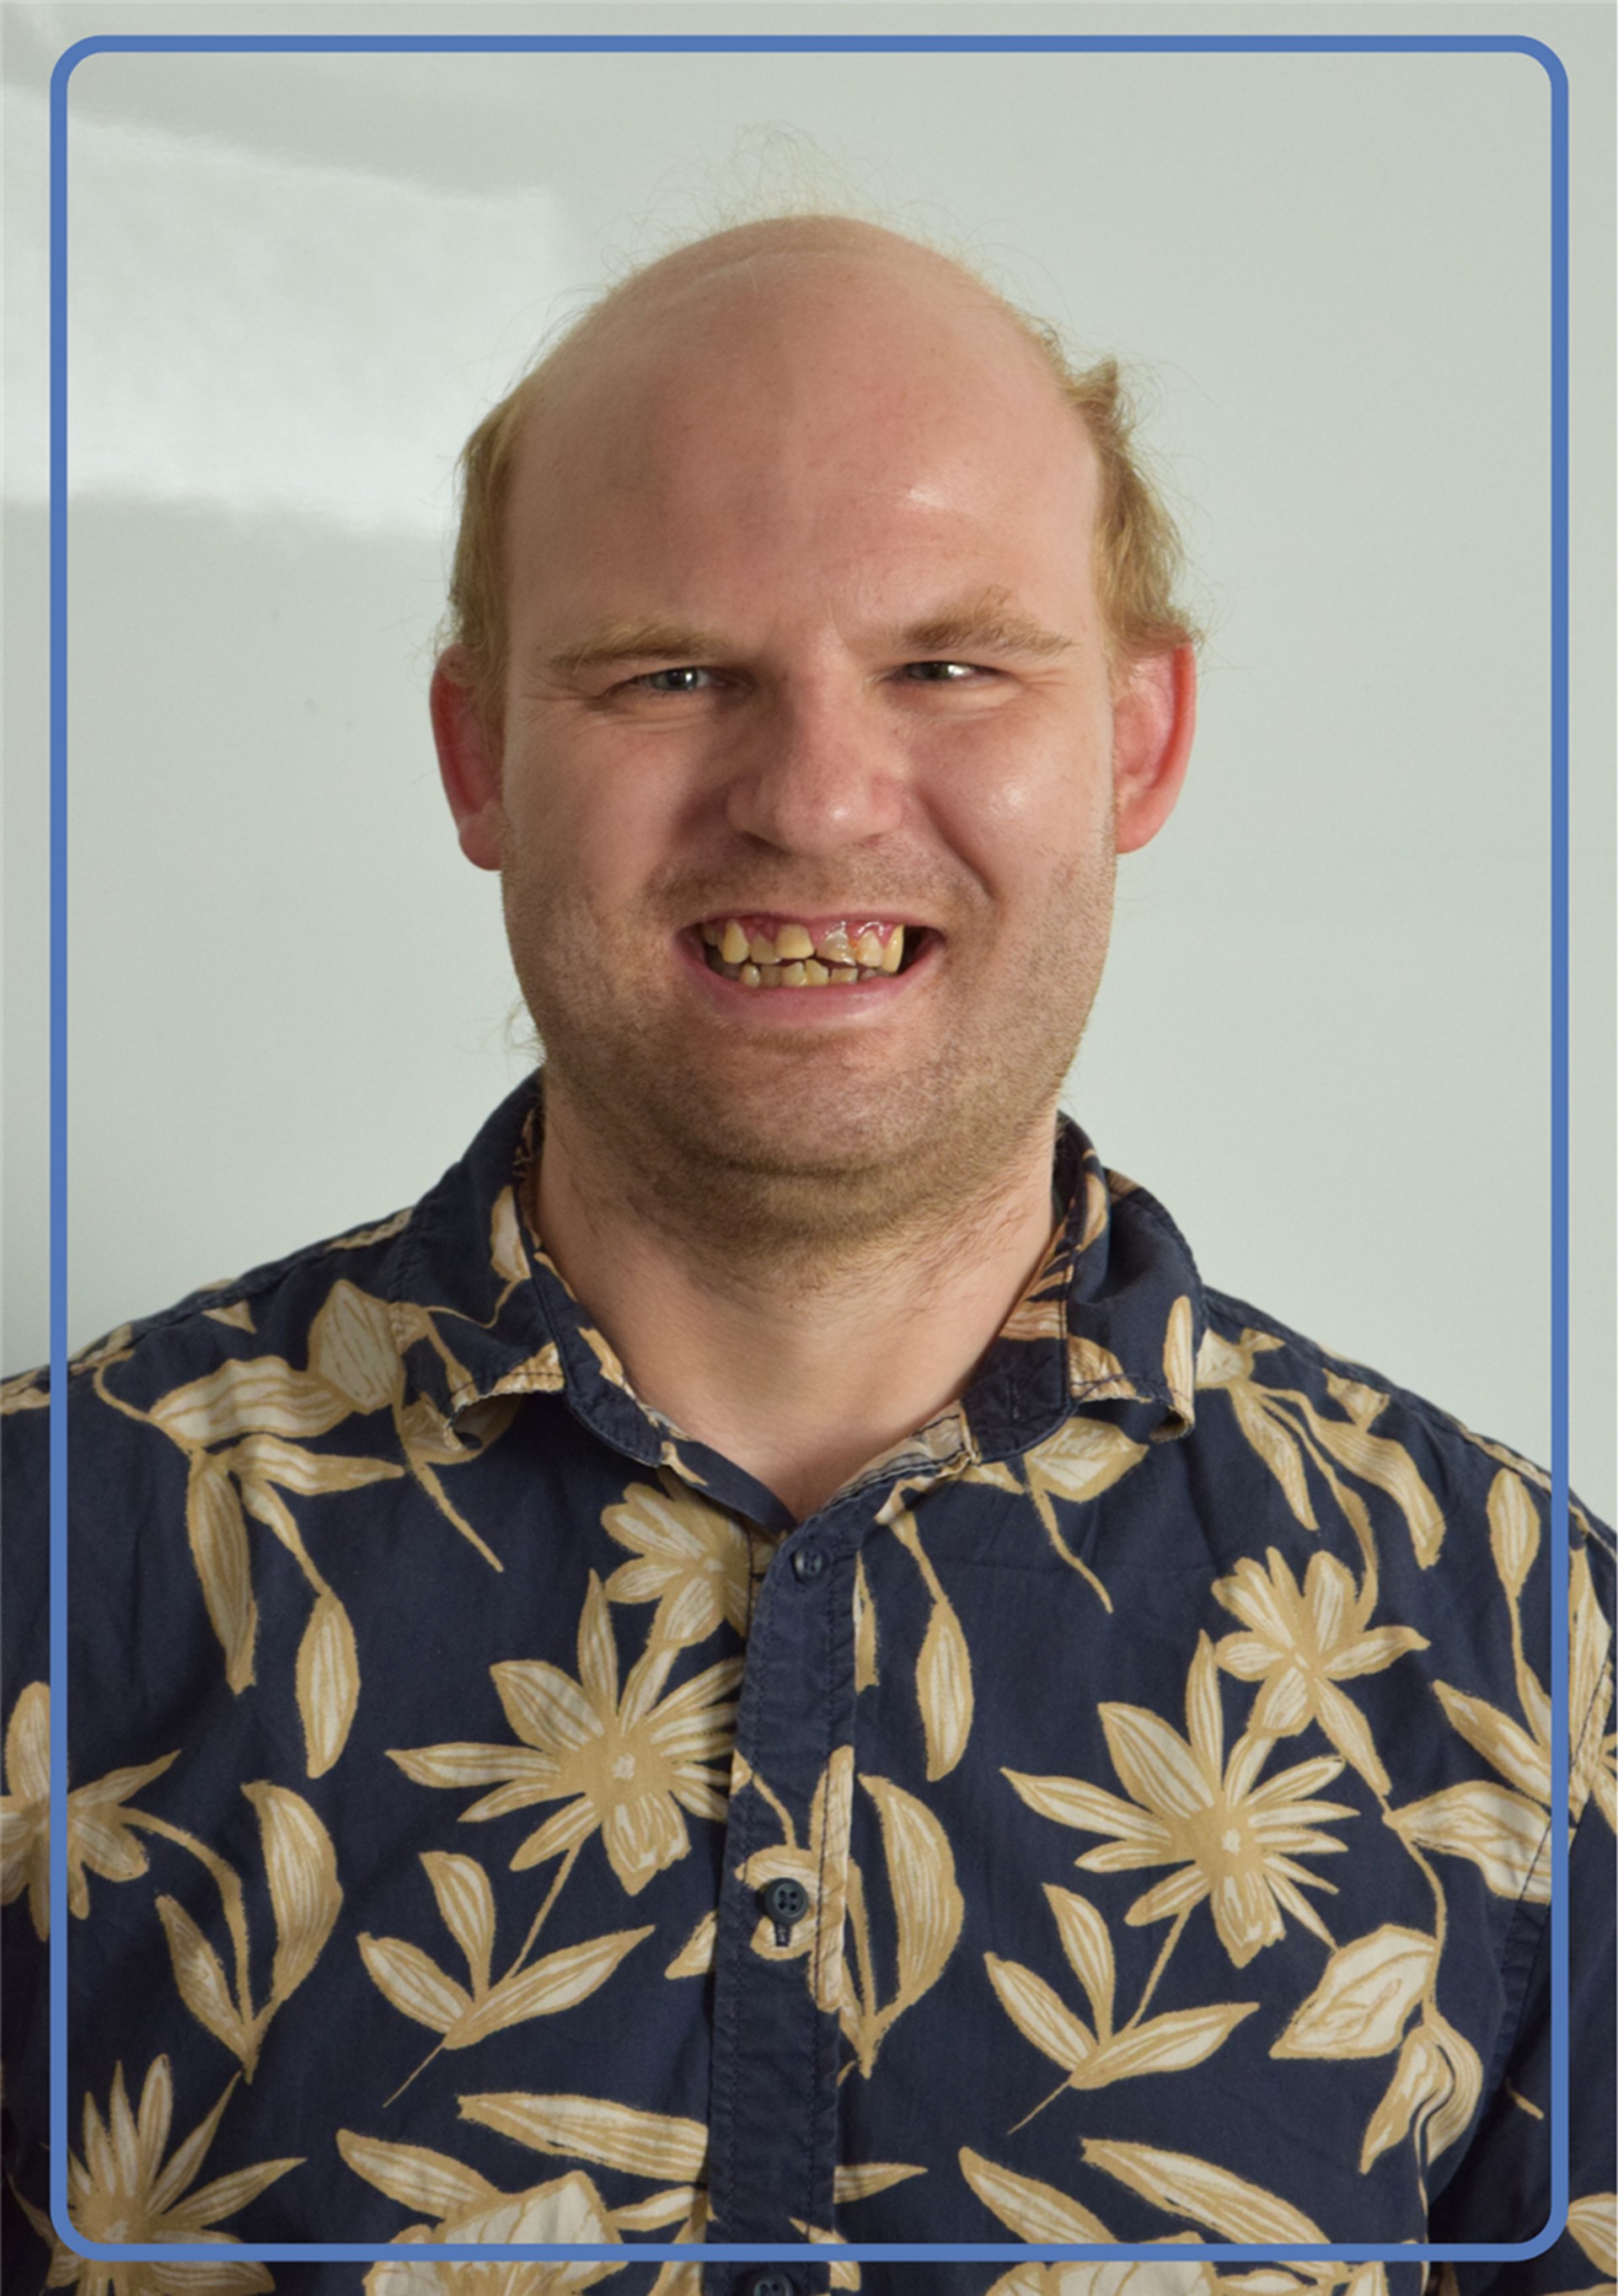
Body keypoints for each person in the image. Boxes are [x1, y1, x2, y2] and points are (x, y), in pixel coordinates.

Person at [3, 210, 1613, 2296]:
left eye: (950, 663)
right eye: (673, 672)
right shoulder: (47, 1569)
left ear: (1137, 740)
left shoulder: (1523, 1658)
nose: (818, 798)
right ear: (481, 752)